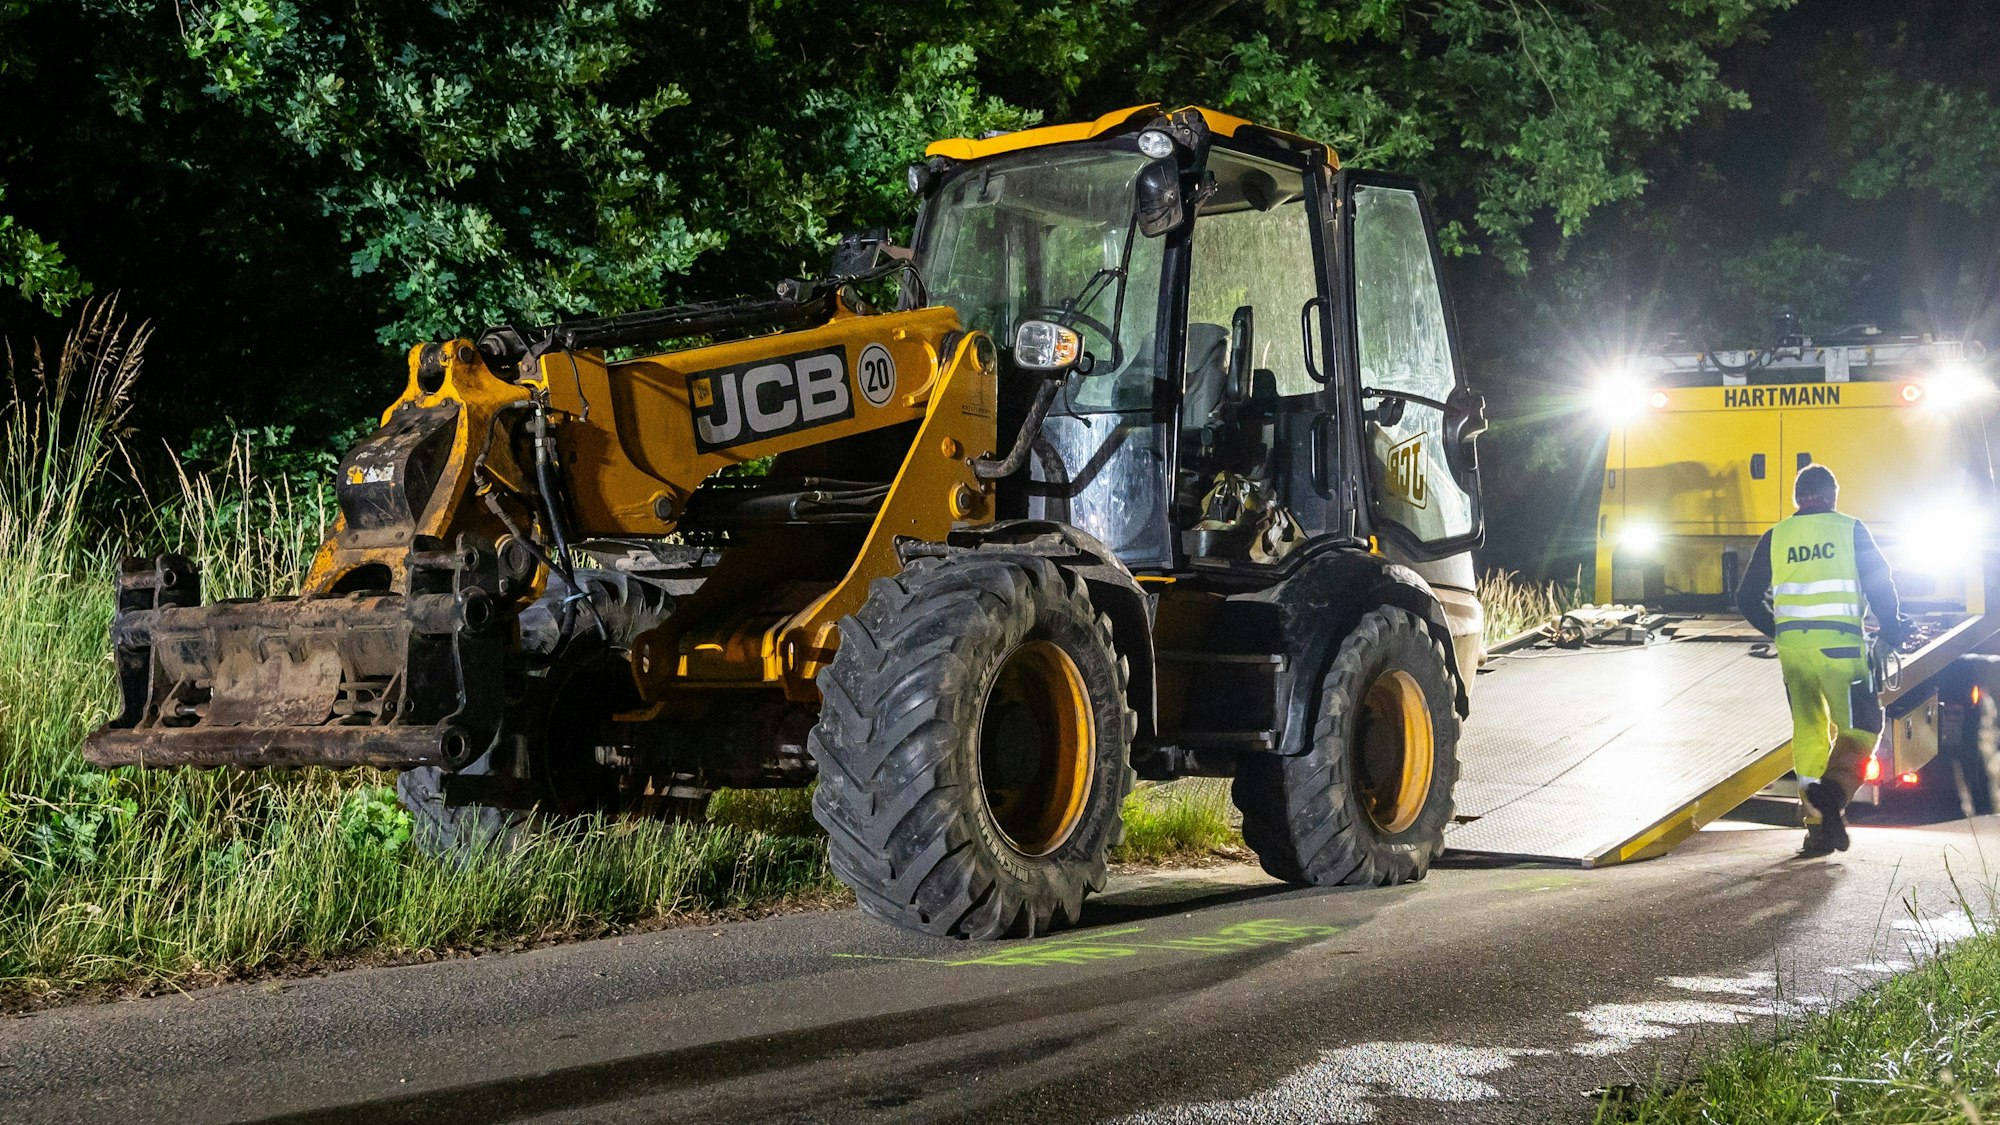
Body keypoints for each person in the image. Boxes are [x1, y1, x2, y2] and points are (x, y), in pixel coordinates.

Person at [1736, 463, 1903, 857]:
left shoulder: (1776, 536)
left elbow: (1746, 598)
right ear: (1832, 496)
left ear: (1798, 498)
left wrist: (1779, 631)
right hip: (1842, 650)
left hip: (1794, 654)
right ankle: (1834, 794)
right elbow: (1882, 582)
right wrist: (1892, 630)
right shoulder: (1849, 528)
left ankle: (1816, 829)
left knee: (1809, 732)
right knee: (1862, 729)